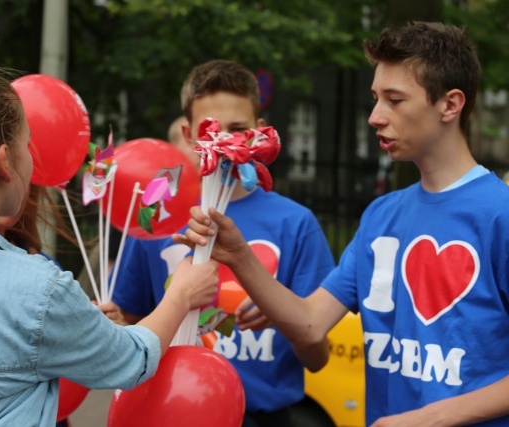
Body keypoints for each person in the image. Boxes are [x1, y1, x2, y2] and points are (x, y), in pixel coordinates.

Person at [177, 22, 509, 426]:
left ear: (450, 104)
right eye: (375, 98)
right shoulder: (381, 215)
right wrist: (239, 255)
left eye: (395, 100)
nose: (374, 117)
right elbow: (311, 325)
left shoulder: (499, 213)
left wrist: (428, 418)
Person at [0, 67, 219, 426]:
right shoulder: (38, 288)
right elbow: (131, 360)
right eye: (27, 142)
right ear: (5, 161)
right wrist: (181, 293)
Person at [110, 59, 336, 426]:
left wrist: (281, 311)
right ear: (187, 134)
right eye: (210, 130)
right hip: (169, 410)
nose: (225, 143)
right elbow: (130, 328)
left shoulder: (296, 224)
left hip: (264, 416)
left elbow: (317, 357)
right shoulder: (155, 218)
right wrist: (111, 324)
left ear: (260, 131)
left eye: (238, 129)